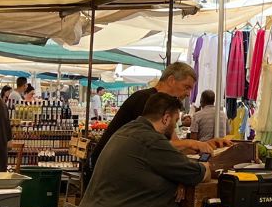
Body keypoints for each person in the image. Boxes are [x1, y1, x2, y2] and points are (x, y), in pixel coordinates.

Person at [77, 91, 210, 207]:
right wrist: (206, 167)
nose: (174, 127)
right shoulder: (152, 140)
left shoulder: (128, 130)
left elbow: (159, 167)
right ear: (166, 118)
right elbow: (195, 173)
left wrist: (178, 180)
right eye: (175, 121)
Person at [88, 62, 228, 171]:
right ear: (171, 80)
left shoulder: (167, 107)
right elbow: (154, 145)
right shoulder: (146, 100)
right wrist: (193, 143)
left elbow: (174, 145)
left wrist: (208, 146)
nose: (188, 94)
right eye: (186, 87)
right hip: (110, 167)